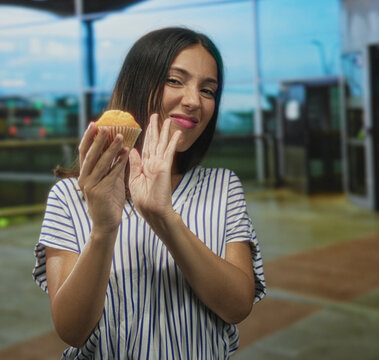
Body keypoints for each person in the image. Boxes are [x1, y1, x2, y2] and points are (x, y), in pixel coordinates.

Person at [33, 27, 266, 359]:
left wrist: (164, 217)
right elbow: (72, 329)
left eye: (208, 90)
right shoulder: (70, 197)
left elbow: (237, 306)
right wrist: (102, 230)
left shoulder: (222, 186)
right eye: (175, 80)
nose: (193, 101)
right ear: (137, 84)